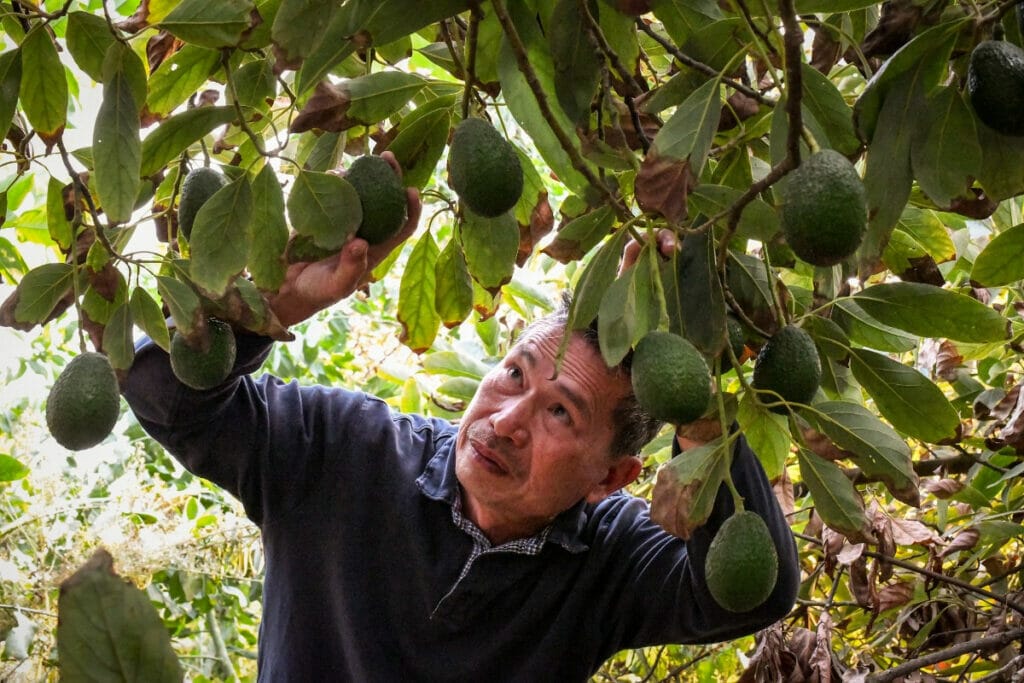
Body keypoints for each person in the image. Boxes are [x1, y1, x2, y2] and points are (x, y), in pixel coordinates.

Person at [123, 154, 800, 681]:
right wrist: (267, 303)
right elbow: (164, 395)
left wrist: (702, 406)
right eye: (514, 374)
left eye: (561, 412)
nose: (507, 420)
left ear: (612, 475)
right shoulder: (345, 449)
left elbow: (744, 593)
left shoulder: (608, 559)